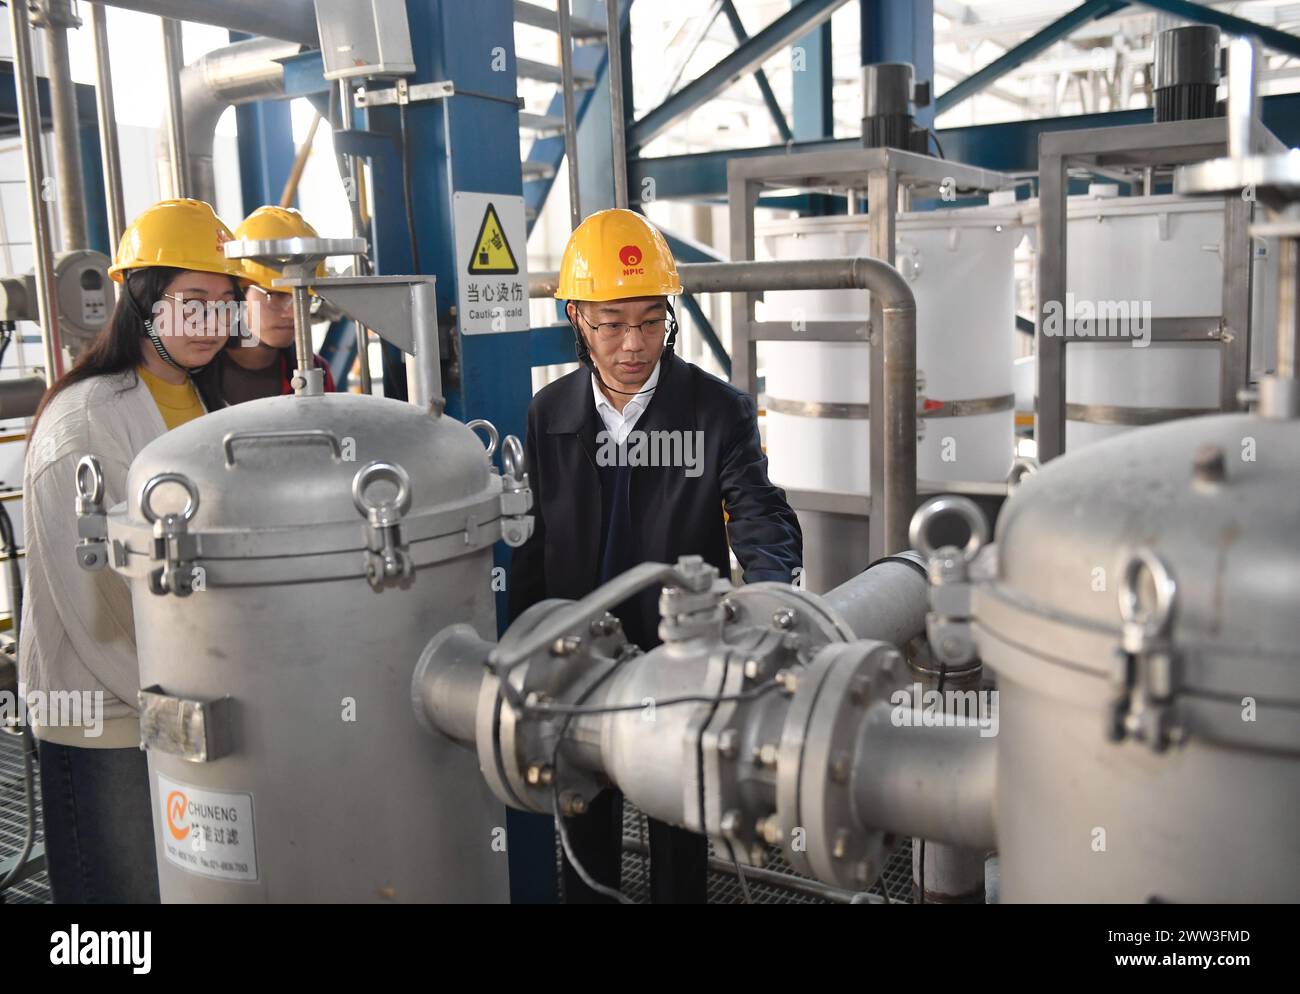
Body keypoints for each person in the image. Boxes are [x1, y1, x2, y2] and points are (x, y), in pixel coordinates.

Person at [508, 208, 803, 903]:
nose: (633, 343)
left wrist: (773, 604)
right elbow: (535, 545)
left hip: (681, 659)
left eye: (649, 320)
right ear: (578, 319)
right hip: (581, 659)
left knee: (680, 830)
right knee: (584, 826)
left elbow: (759, 512)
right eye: (611, 324)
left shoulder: (716, 411)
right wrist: (521, 642)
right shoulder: (548, 414)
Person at [20, 198, 244, 903]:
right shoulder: (83, 426)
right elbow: (102, 608)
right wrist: (196, 704)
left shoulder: (197, 402)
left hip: (180, 702)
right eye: (193, 301)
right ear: (143, 301)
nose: (212, 320)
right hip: (107, 722)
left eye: (225, 301)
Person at [194, 205, 336, 408]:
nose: (294, 313)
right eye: (276, 295)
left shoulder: (317, 373)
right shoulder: (193, 372)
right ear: (238, 294)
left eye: (304, 298)